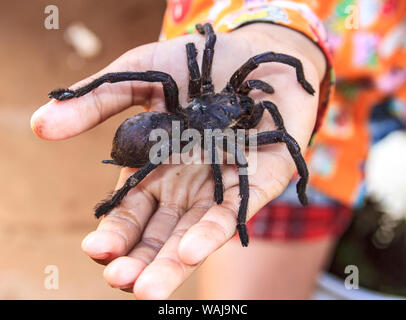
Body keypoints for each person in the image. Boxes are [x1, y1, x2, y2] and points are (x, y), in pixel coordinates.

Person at [31, 0, 406, 299]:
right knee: (256, 145)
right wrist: (280, 37)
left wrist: (290, 59)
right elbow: (239, 152)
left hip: (373, 82)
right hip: (167, 132)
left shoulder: (215, 99)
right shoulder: (220, 132)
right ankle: (86, 124)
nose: (245, 102)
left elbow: (225, 60)